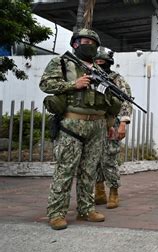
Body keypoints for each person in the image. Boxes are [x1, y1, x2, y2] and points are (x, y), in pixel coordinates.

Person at [40, 29, 119, 230]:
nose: (89, 44)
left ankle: (86, 209)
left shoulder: (101, 72)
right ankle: (57, 212)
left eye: (93, 42)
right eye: (85, 41)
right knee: (65, 169)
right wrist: (73, 84)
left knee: (89, 171)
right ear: (75, 44)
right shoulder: (62, 63)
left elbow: (108, 101)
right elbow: (45, 84)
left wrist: (110, 122)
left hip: (97, 126)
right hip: (71, 124)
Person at [93, 46, 132, 209]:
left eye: (102, 62)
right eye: (97, 62)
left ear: (109, 63)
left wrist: (123, 123)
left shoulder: (117, 79)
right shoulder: (89, 77)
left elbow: (126, 101)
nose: (99, 65)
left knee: (109, 157)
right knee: (93, 158)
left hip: (112, 122)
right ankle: (99, 191)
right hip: (93, 122)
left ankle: (113, 192)